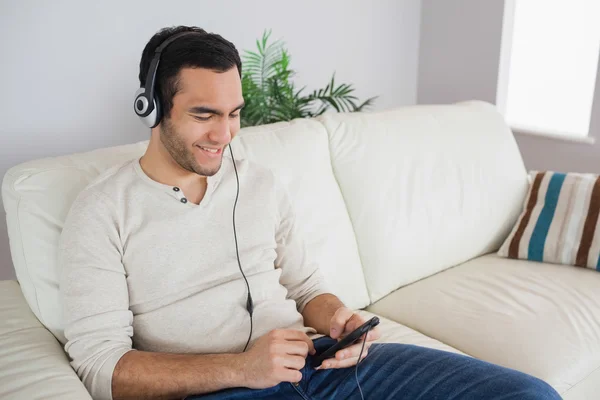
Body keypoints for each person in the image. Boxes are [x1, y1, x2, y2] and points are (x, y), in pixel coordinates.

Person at [59, 25, 562, 400]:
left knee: (530, 395)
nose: (224, 135)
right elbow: (102, 368)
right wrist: (242, 370)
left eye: (234, 114)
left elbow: (305, 288)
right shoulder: (102, 211)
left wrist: (340, 319)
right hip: (221, 391)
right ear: (152, 108)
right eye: (204, 115)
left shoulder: (257, 181)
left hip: (318, 367)